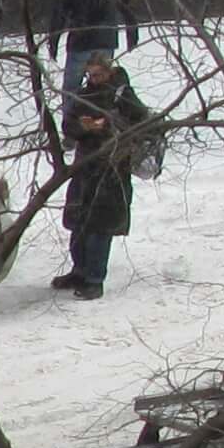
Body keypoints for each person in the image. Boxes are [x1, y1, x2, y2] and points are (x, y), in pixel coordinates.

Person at [54, 57, 154, 302]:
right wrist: (83, 128)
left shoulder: (123, 96)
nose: (94, 79)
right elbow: (68, 125)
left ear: (110, 72)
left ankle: (94, 279)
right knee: (79, 221)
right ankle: (79, 271)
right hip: (85, 166)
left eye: (99, 75)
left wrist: (109, 124)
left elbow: (143, 125)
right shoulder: (84, 95)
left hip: (112, 169)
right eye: (91, 75)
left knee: (100, 226)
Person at [57, 0, 138, 92]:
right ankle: (103, 113)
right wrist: (132, 33)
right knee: (103, 85)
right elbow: (126, 8)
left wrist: (53, 40)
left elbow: (60, 12)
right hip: (106, 39)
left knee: (71, 88)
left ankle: (71, 114)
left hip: (80, 41)